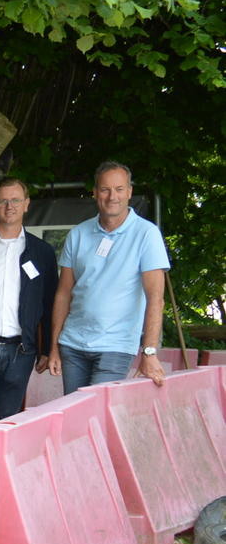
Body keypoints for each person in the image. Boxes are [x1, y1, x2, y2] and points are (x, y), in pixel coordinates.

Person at [49, 161, 170, 394]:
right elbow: (63, 294)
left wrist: (149, 352)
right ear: (95, 193)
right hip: (72, 344)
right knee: (76, 412)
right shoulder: (78, 233)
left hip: (116, 346)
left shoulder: (147, 234)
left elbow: (156, 299)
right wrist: (54, 346)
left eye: (119, 189)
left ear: (129, 192)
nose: (112, 196)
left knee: (97, 409)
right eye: (105, 189)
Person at [0, 177, 58, 434]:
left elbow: (50, 303)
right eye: (3, 200)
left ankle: (1, 463)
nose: (9, 206)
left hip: (21, 350)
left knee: (8, 423)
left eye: (15, 200)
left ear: (26, 204)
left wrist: (48, 349)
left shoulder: (42, 252)